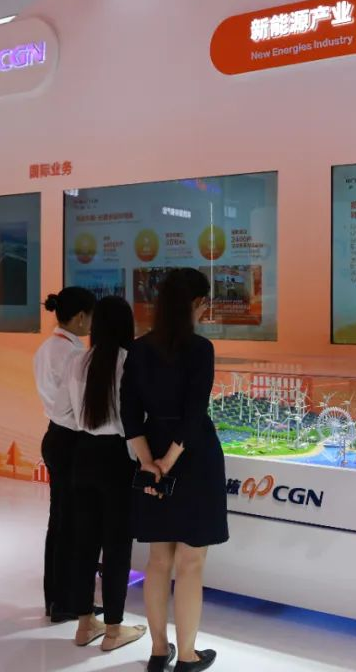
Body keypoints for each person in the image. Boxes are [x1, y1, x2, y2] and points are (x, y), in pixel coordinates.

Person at [123, 268, 225, 672]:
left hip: (151, 449)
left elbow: (129, 412)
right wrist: (168, 461)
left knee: (158, 560)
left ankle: (157, 651)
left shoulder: (138, 349)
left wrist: (149, 462)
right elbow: (194, 413)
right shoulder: (200, 349)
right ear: (198, 303)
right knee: (191, 562)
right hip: (194, 456)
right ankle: (187, 655)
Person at [52, 295, 148, 651]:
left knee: (84, 543)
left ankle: (84, 624)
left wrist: (84, 423)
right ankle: (113, 629)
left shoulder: (77, 360)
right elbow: (138, 418)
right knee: (117, 546)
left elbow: (61, 412)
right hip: (118, 458)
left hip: (83, 454)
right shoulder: (129, 361)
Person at [34, 286, 96, 623]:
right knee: (73, 522)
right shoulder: (74, 354)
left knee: (59, 521)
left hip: (55, 436)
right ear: (81, 316)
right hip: (72, 439)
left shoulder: (47, 348)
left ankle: (56, 599)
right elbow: (82, 406)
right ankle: (69, 601)